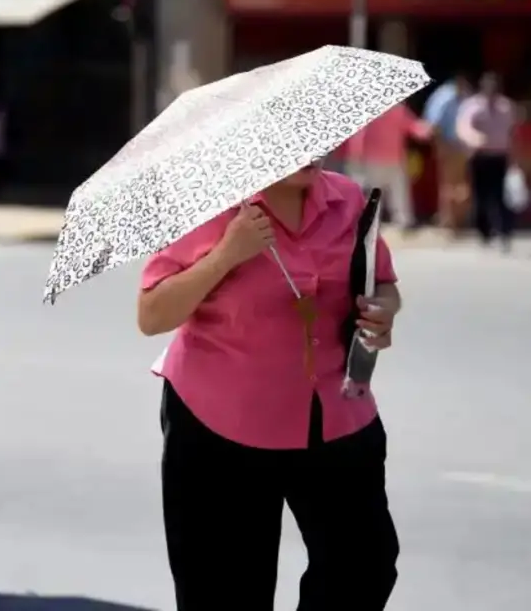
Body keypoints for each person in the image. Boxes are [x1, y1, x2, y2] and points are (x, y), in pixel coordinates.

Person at [138, 163, 402, 611]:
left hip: (333, 415)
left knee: (364, 565)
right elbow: (152, 315)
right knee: (227, 590)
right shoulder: (211, 204)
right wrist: (226, 254)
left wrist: (383, 310)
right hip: (221, 425)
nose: (310, 150)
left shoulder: (347, 201)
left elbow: (384, 284)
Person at [456, 72, 517, 249]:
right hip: (480, 157)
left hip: (499, 156)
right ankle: (484, 231)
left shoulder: (506, 107)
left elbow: (512, 132)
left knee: (500, 196)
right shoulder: (472, 107)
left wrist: (514, 156)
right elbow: (463, 128)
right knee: (481, 196)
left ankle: (504, 231)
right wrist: (475, 139)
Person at [351, 102, 422, 230]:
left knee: (395, 190)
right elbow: (361, 135)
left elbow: (410, 125)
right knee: (382, 191)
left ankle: (402, 220)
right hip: (378, 159)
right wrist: (358, 154)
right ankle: (384, 220)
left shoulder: (396, 109)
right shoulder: (393, 109)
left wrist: (422, 130)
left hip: (392, 158)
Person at [422, 72, 474, 234]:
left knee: (455, 185)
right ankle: (451, 220)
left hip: (458, 146)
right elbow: (434, 125)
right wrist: (441, 146)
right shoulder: (446, 98)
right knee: (452, 186)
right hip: (450, 145)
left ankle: (452, 219)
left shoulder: (458, 96)